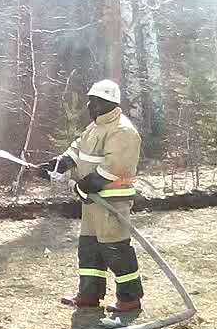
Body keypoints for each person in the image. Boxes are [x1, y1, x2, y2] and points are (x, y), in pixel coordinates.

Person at [37, 79, 144, 313]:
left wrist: (85, 185)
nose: (91, 106)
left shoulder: (122, 130)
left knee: (116, 249)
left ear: (111, 103)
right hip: (92, 202)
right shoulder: (95, 127)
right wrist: (61, 162)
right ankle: (88, 295)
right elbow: (79, 148)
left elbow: (115, 166)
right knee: (89, 249)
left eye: (96, 101)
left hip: (112, 201)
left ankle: (129, 299)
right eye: (90, 101)